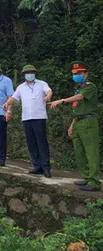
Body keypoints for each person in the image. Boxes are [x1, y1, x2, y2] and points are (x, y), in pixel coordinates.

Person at [50, 61, 100, 192]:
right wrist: (72, 125)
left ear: (85, 73)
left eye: (79, 73)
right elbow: (77, 110)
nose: (76, 75)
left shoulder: (90, 87)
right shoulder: (79, 88)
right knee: (79, 152)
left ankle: (94, 181)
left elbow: (80, 97)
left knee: (91, 152)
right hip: (78, 122)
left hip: (89, 122)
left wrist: (62, 100)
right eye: (74, 73)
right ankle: (86, 177)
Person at [3, 65, 53, 178]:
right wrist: (7, 103)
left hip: (39, 117)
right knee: (31, 143)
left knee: (42, 142)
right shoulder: (21, 87)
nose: (30, 74)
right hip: (26, 118)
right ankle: (37, 166)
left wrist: (48, 97)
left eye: (32, 72)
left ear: (34, 73)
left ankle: (46, 167)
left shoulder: (42, 84)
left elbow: (49, 91)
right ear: (24, 75)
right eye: (27, 72)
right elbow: (14, 97)